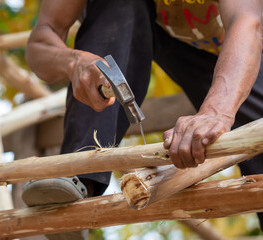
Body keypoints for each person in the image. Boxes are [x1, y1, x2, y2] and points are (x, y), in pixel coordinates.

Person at [22, 0, 263, 239]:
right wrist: (73, 62)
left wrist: (216, 112)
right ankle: (79, 178)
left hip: (245, 47)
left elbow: (247, 20)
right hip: (166, 34)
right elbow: (42, 38)